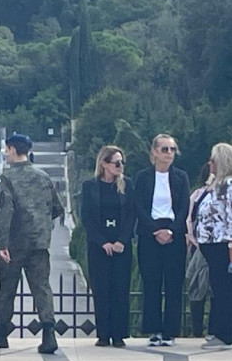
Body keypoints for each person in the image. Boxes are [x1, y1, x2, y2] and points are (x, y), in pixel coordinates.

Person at [0, 133, 64, 353]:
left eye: (6, 150)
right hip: (39, 242)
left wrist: (2, 244)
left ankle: (1, 332)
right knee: (41, 288)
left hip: (15, 243)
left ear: (11, 149)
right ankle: (49, 333)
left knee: (7, 288)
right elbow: (58, 208)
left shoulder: (8, 179)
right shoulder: (43, 177)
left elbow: (5, 213)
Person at [133, 134, 190, 347]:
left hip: (174, 233)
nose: (169, 153)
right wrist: (154, 231)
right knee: (152, 283)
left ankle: (170, 331)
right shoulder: (142, 177)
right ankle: (154, 329)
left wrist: (172, 231)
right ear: (154, 152)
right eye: (164, 149)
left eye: (172, 149)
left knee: (174, 284)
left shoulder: (181, 177)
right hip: (150, 233)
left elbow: (184, 207)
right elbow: (138, 205)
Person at [194, 143, 232, 349]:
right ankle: (226, 330)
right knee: (224, 285)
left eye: (214, 160)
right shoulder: (217, 184)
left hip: (223, 243)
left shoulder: (230, 184)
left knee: (223, 287)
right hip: (213, 243)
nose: (210, 163)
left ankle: (225, 334)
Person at [80, 146, 135, 348]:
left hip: (121, 244)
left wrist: (122, 240)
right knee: (101, 289)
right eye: (116, 162)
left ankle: (119, 334)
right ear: (104, 163)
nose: (120, 166)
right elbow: (86, 217)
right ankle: (103, 334)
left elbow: (131, 215)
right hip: (99, 245)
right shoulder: (90, 186)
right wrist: (103, 242)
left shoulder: (127, 185)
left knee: (120, 289)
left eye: (122, 162)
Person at [185, 164, 213, 339]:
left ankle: (214, 329)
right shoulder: (198, 195)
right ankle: (197, 331)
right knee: (197, 287)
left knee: (216, 289)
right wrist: (195, 241)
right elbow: (189, 220)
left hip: (219, 246)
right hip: (199, 247)